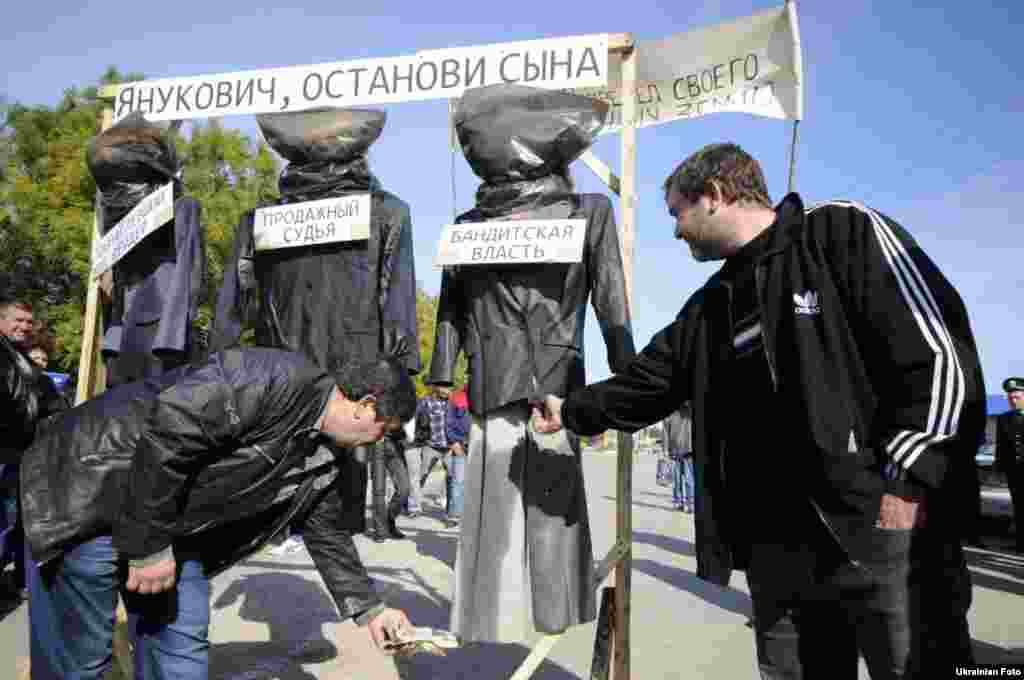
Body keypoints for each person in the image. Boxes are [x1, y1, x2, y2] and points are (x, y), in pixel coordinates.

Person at [535, 143, 986, 679]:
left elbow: (938, 356)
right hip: (779, 557)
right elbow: (648, 381)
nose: (676, 231)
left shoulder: (841, 233)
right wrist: (573, 410)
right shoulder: (711, 305)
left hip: (878, 531)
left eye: (678, 213)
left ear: (716, 196)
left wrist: (909, 481)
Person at [21, 347, 418, 680]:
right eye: (385, 429)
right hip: (88, 491)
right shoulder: (267, 376)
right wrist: (150, 546)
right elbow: (168, 436)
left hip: (171, 523)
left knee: (181, 657)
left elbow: (327, 533)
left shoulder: (329, 454)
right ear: (365, 406)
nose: (379, 441)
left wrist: (372, 611)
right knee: (79, 661)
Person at [0, 298, 65, 600]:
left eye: (29, 322)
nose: (24, 326)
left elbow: (44, 402)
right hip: (5, 452)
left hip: (20, 454)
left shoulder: (22, 360)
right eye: (17, 320)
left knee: (13, 522)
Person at [408, 384, 453, 515]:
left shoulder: (452, 403)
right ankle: (413, 506)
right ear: (436, 388)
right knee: (421, 475)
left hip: (449, 447)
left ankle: (451, 508)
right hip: (431, 445)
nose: (447, 390)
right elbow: (416, 418)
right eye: (444, 387)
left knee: (452, 477)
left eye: (449, 388)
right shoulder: (425, 402)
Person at [368, 429, 412, 542]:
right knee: (378, 491)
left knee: (404, 489)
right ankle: (380, 531)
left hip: (395, 445)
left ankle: (389, 520)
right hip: (377, 445)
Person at [995, 376, 1024, 552]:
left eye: (1017, 396)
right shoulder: (1004, 418)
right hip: (1015, 472)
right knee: (1019, 507)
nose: (1013, 400)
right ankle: (1020, 543)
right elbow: (1002, 445)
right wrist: (1000, 467)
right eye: (1010, 397)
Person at [443, 388, 470, 528]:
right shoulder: (457, 396)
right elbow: (448, 421)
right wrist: (453, 442)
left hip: (480, 446)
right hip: (460, 445)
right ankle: (454, 515)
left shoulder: (486, 395)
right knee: (458, 481)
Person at [665, 403, 695, 513]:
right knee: (680, 479)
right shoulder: (672, 413)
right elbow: (665, 431)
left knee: (686, 479)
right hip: (678, 450)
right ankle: (681, 503)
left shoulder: (689, 410)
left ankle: (687, 503)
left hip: (686, 450)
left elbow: (665, 432)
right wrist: (665, 449)